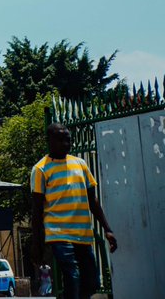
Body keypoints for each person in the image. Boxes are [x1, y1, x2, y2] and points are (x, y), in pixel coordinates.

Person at [30, 123, 117, 299]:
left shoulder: (80, 164)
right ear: (50, 141)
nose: (65, 144)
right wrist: (37, 243)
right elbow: (37, 210)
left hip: (83, 234)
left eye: (68, 140)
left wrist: (107, 229)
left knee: (92, 282)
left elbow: (93, 200)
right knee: (72, 275)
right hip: (58, 234)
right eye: (60, 140)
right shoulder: (40, 169)